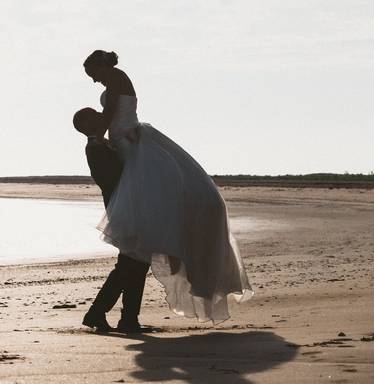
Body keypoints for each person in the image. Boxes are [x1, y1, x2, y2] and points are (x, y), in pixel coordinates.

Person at [82, 49, 253, 324]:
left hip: (130, 151)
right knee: (133, 262)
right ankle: (108, 315)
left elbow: (108, 116)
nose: (93, 82)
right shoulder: (99, 148)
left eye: (93, 75)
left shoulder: (115, 82)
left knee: (134, 262)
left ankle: (120, 317)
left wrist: (98, 132)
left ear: (101, 67)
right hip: (128, 167)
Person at [73, 107, 151, 333]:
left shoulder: (104, 145)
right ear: (88, 125)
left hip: (127, 209)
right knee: (129, 265)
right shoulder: (96, 148)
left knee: (137, 263)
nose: (102, 116)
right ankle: (100, 313)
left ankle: (127, 318)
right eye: (96, 116)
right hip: (124, 211)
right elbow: (113, 179)